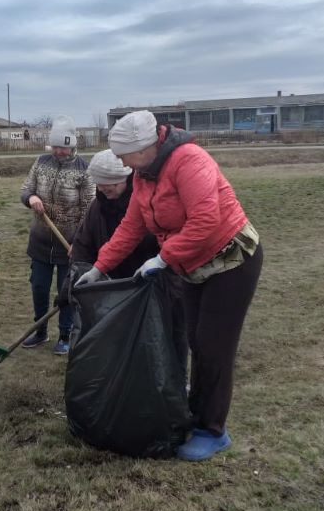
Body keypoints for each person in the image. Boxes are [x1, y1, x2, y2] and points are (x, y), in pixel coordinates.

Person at [77, 111, 263, 461]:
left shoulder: (189, 161)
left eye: (123, 154)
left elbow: (206, 220)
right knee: (195, 339)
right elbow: (131, 227)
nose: (119, 160)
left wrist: (163, 258)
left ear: (146, 147)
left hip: (231, 259)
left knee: (213, 346)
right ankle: (196, 412)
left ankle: (212, 430)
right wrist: (100, 267)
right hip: (192, 264)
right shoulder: (144, 175)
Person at [70, 149, 188, 377]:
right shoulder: (97, 208)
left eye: (111, 185)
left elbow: (168, 242)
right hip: (115, 287)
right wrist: (73, 282)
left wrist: (159, 266)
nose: (105, 190)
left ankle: (177, 380)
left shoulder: (149, 202)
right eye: (101, 186)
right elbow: (83, 247)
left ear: (125, 178)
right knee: (124, 339)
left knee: (168, 333)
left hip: (156, 284)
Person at [20, 115, 95, 354]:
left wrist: (79, 243)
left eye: (63, 147)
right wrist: (31, 198)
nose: (58, 152)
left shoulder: (85, 171)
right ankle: (40, 331)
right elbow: (26, 189)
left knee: (66, 293)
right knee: (39, 288)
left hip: (69, 245)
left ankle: (65, 334)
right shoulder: (41, 162)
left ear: (72, 145)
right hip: (40, 241)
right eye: (55, 147)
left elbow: (89, 210)